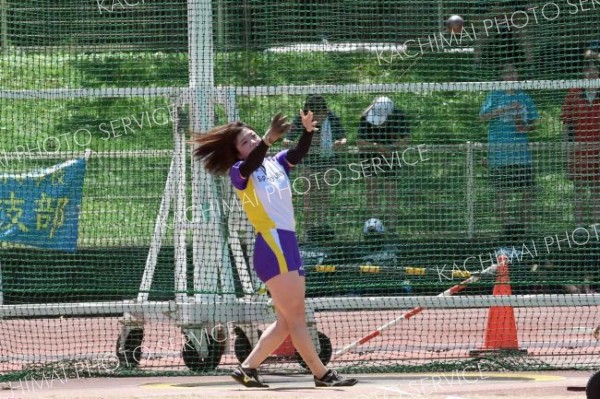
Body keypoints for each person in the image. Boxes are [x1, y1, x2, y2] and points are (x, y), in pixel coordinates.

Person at [190, 112, 358, 388]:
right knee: (297, 317)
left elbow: (298, 152)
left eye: (254, 136)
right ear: (237, 153)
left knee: (285, 321)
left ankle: (248, 369)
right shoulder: (239, 172)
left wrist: (308, 131)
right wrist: (267, 139)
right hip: (272, 246)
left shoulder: (275, 162)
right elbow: (252, 160)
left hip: (288, 243)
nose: (253, 141)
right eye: (246, 142)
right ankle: (321, 374)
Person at [480, 62, 539, 239]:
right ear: (502, 77)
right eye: (507, 73)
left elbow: (534, 123)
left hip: (521, 155)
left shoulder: (524, 97)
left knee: (528, 192)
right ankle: (505, 231)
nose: (511, 76)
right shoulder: (495, 96)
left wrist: (525, 127)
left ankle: (526, 230)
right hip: (499, 155)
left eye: (514, 72)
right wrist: (504, 109)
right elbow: (482, 117)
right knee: (501, 194)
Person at [284, 95, 346, 241]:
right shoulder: (301, 119)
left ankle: (322, 225)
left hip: (327, 160)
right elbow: (286, 141)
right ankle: (307, 229)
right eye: (315, 114)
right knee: (308, 194)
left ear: (325, 111)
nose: (319, 117)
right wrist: (305, 145)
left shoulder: (333, 118)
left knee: (324, 193)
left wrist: (339, 143)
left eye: (321, 114)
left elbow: (343, 139)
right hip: (308, 161)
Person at [357, 96, 410, 234]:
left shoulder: (398, 116)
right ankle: (373, 227)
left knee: (391, 191)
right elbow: (360, 142)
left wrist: (391, 147)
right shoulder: (366, 117)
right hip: (369, 155)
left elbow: (405, 141)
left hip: (390, 155)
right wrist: (377, 147)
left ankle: (392, 228)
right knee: (372, 190)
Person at [561, 62, 600, 228]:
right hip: (578, 150)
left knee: (597, 189)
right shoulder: (574, 92)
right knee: (579, 188)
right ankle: (579, 226)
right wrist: (566, 152)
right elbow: (567, 125)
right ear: (583, 73)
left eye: (594, 70)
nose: (591, 74)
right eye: (588, 71)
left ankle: (597, 225)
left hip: (598, 151)